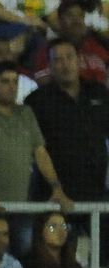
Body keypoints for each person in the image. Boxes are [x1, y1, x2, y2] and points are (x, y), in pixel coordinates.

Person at [0, 63, 67, 212]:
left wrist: (56, 187)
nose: (12, 87)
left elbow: (41, 153)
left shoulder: (27, 114)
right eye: (5, 81)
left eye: (15, 81)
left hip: (22, 206)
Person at [26, 39, 109, 211]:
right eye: (58, 60)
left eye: (69, 57)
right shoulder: (37, 101)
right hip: (53, 194)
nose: (65, 64)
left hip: (96, 191)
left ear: (78, 60)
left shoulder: (99, 92)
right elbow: (34, 148)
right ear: (49, 66)